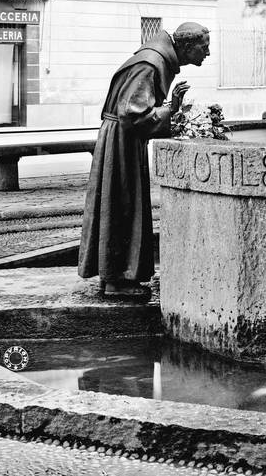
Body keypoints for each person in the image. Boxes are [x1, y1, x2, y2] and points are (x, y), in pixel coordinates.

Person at [78, 22, 210, 297]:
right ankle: (118, 280)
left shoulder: (154, 60)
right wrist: (169, 110)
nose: (207, 53)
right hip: (122, 142)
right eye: (204, 46)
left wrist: (167, 111)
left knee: (118, 204)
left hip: (122, 140)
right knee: (123, 204)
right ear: (186, 47)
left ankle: (114, 276)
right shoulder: (151, 64)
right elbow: (132, 114)